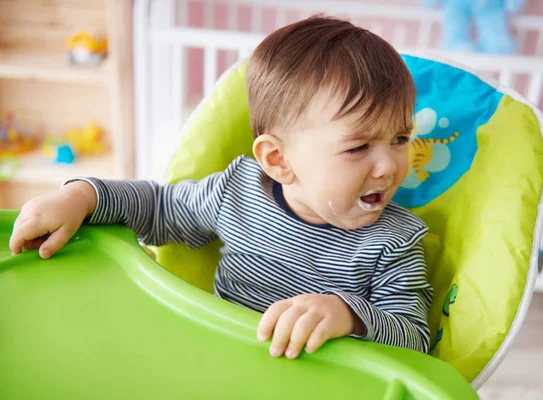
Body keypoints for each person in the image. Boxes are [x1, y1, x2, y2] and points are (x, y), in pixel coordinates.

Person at [10, 16, 433, 360]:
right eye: (358, 147)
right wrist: (83, 196)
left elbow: (414, 336)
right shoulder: (237, 192)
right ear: (278, 160)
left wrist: (348, 315)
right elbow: (158, 208)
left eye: (399, 139)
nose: (388, 166)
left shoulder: (393, 242)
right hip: (214, 358)